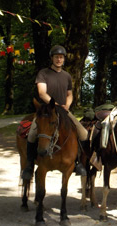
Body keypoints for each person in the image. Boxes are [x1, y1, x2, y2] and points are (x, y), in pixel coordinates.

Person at [21, 45, 88, 181]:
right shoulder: (43, 73)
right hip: (45, 111)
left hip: (63, 111)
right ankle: (29, 165)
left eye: (61, 57)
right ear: (52, 58)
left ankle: (78, 163)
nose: (59, 59)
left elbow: (70, 94)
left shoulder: (67, 76)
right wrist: (56, 105)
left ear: (64, 59)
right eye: (56, 57)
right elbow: (42, 92)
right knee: (32, 134)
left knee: (83, 133)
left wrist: (67, 105)